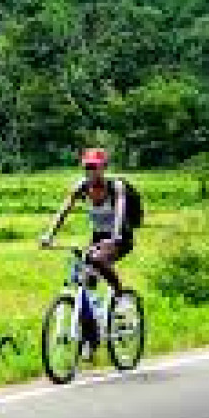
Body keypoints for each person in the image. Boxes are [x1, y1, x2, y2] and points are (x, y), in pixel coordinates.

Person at [40, 148, 135, 355]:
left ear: (103, 168)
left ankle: (120, 298)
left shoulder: (115, 187)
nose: (90, 171)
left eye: (94, 167)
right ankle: (91, 338)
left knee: (99, 260)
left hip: (121, 237)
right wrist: (49, 235)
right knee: (85, 282)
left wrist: (115, 238)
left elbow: (119, 212)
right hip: (98, 236)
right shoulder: (82, 187)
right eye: (86, 167)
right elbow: (63, 211)